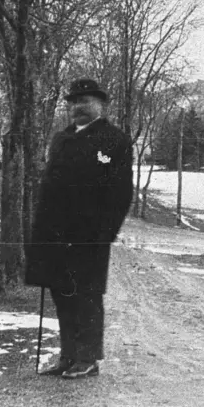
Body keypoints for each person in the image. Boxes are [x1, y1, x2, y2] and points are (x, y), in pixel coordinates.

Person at [26, 78, 134, 379]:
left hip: (89, 236)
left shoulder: (114, 141)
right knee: (63, 295)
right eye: (73, 102)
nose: (77, 108)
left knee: (87, 296)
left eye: (84, 101)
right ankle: (68, 356)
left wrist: (104, 235)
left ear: (101, 105)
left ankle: (87, 359)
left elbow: (120, 193)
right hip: (57, 234)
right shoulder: (61, 139)